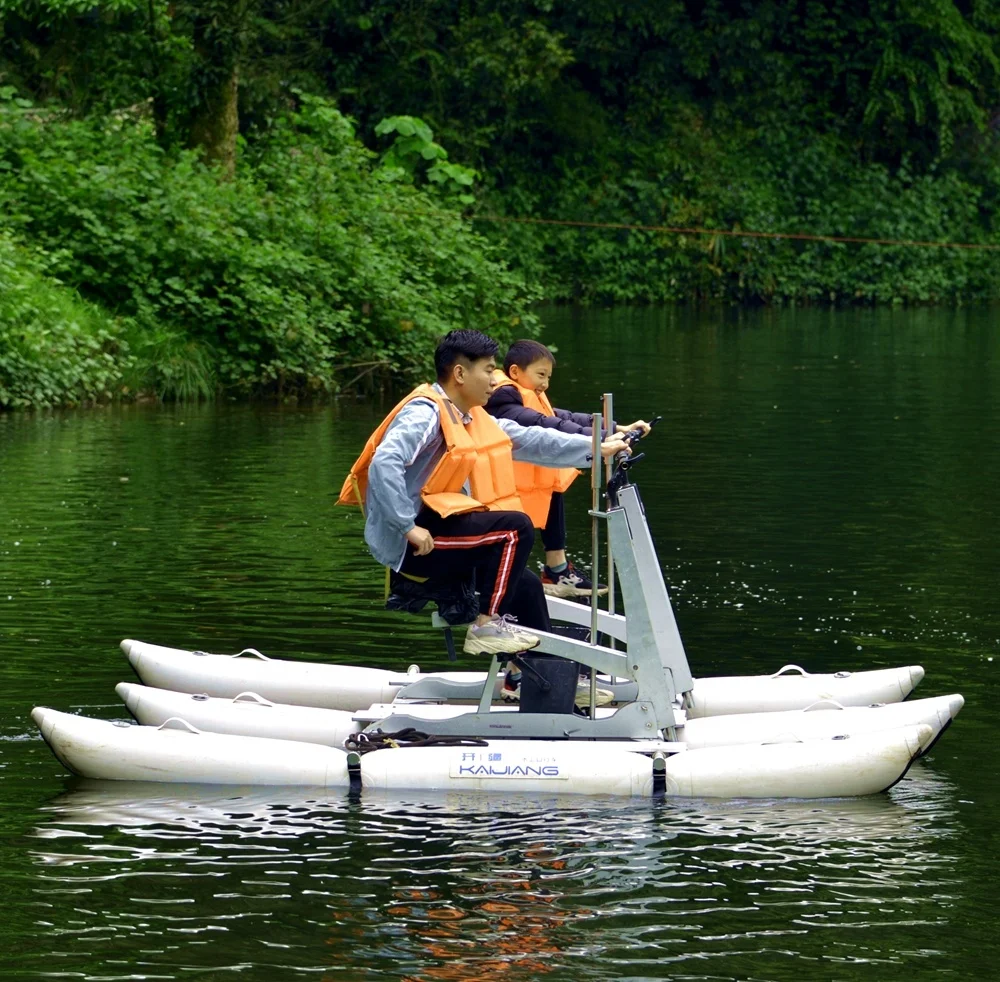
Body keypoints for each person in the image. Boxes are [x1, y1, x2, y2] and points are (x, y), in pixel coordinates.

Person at [338, 330, 630, 662]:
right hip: (415, 542)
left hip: (440, 529)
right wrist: (407, 527)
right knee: (514, 529)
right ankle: (486, 627)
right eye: (489, 369)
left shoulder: (469, 414)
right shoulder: (425, 413)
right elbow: (384, 462)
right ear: (460, 374)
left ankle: (527, 679)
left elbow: (529, 440)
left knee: (527, 585)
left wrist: (596, 448)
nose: (496, 379)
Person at [486, 338, 650, 597]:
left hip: (528, 471)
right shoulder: (503, 396)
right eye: (541, 375)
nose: (546, 384)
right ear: (515, 372)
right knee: (520, 523)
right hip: (502, 480)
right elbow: (544, 423)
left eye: (548, 377)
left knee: (554, 487)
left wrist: (616, 428)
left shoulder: (525, 393)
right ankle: (537, 573)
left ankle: (556, 568)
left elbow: (563, 417)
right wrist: (600, 440)